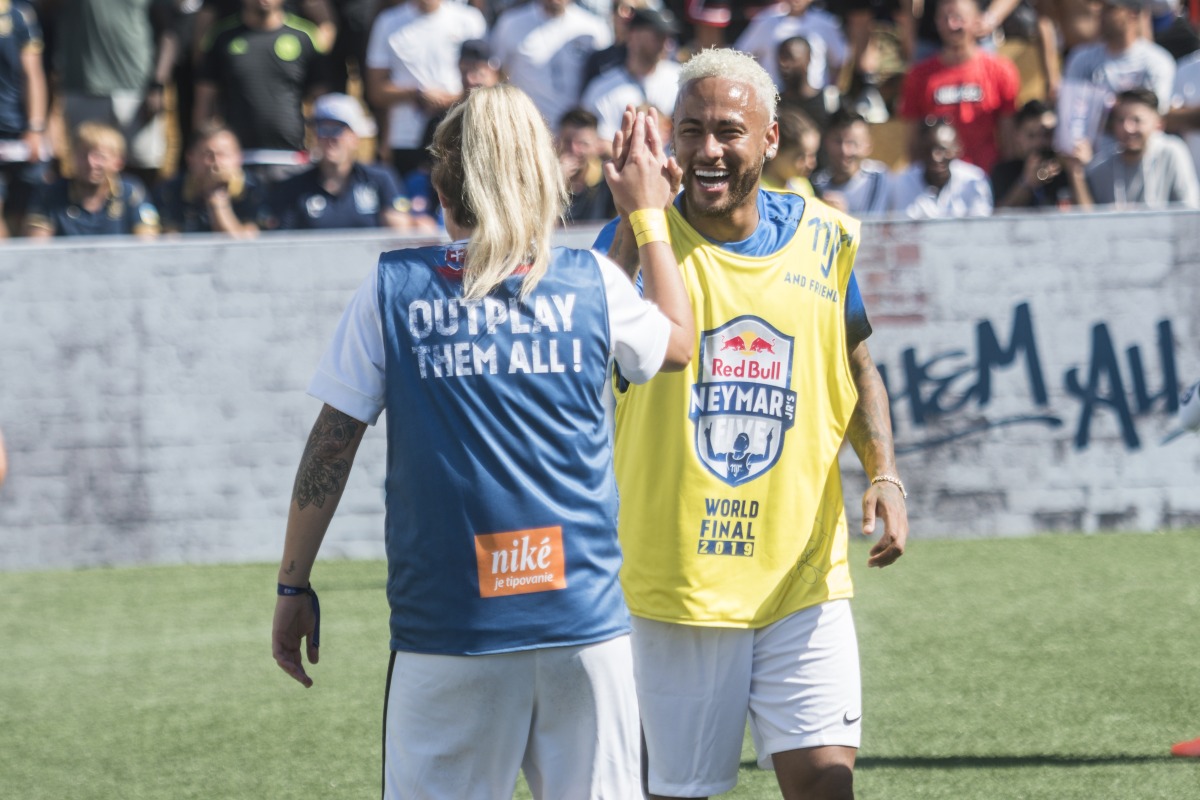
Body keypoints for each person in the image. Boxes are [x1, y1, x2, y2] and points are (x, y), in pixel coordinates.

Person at [270, 87, 694, 799]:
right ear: (543, 176)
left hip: (450, 633)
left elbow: (330, 447)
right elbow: (678, 343)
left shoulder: (393, 288)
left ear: (442, 182)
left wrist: (292, 583)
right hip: (583, 629)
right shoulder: (593, 283)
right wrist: (648, 216)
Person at [599, 47, 909, 800]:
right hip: (678, 590)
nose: (708, 149)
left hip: (803, 579)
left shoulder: (825, 237)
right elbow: (595, 342)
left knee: (827, 787)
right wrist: (634, 221)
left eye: (729, 130)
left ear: (770, 139)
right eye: (692, 129)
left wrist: (886, 474)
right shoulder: (644, 245)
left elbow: (858, 362)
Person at [194, 0, 328, 183]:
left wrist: (318, 148)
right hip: (237, 161)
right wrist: (203, 152)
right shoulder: (221, 37)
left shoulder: (304, 36)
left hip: (292, 159)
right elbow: (205, 101)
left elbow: (322, 101)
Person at [49, 0, 175, 189]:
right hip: (84, 85)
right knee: (89, 165)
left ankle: (139, 215)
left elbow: (170, 31)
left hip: (136, 87)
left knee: (142, 165)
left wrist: (157, 84)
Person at [364, 0, 486, 185]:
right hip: (405, 139)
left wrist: (448, 101)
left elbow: (488, 82)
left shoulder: (469, 20)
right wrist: (417, 94)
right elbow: (375, 91)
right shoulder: (387, 22)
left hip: (461, 134)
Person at [259, 92, 416, 231]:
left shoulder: (380, 179)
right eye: (321, 129)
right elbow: (283, 245)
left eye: (336, 130)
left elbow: (399, 233)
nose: (328, 138)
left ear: (355, 137)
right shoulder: (294, 188)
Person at [898, 0, 1021, 173]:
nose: (952, 25)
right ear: (936, 23)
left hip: (986, 175)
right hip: (939, 180)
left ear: (975, 20)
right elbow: (913, 140)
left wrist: (1005, 179)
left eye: (959, 18)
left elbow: (1009, 138)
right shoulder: (919, 76)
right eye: (945, 18)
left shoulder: (1000, 71)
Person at [1057, 0, 1175, 156]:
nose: (1101, 14)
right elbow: (1071, 118)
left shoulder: (1158, 61)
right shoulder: (1080, 58)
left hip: (1141, 160)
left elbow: (1153, 117)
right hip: (1093, 160)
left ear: (1133, 12)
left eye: (1111, 8)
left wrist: (1105, 110)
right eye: (1101, 7)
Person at [490, 0, 613, 134]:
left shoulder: (594, 27)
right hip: (525, 130)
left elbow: (604, 82)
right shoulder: (511, 23)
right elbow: (495, 73)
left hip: (574, 138)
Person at [24, 122, 160, 238]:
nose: (91, 163)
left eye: (100, 156)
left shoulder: (131, 192)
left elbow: (147, 245)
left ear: (118, 162)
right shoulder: (49, 193)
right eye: (83, 155)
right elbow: (37, 248)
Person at [581, 6, 682, 144]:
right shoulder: (601, 89)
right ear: (633, 34)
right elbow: (595, 142)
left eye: (668, 37)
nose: (665, 44)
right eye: (658, 35)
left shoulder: (681, 80)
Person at [1085, 87, 1200, 207]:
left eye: (1137, 120)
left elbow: (1188, 209)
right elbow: (1089, 218)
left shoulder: (1172, 153)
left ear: (1158, 123)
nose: (1127, 128)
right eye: (1120, 120)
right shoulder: (1100, 167)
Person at [154, 123, 263, 237]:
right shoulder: (170, 191)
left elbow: (245, 245)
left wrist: (217, 196)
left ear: (239, 158)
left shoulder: (253, 190)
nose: (216, 163)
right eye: (208, 155)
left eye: (223, 154)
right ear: (190, 158)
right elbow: (170, 241)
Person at [0, 0, 48, 237]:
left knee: (25, 212)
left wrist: (35, 127)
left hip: (16, 128)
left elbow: (33, 74)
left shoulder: (18, 14)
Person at [990, 98, 1090, 209]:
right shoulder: (1003, 172)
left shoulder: (1067, 171)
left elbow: (1090, 219)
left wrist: (1075, 173)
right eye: (1031, 135)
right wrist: (1026, 183)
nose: (1038, 143)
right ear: (1017, 136)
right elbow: (999, 219)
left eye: (1046, 134)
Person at [734, 0, 848, 94]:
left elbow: (840, 61)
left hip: (815, 98)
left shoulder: (826, 24)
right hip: (774, 96)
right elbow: (742, 55)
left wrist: (834, 92)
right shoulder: (766, 21)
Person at [890, 117, 994, 217]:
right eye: (928, 150)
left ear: (957, 150)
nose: (935, 157)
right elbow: (902, 230)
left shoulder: (974, 181)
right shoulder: (904, 182)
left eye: (943, 150)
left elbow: (981, 228)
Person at [813, 108, 893, 216]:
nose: (845, 151)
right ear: (826, 142)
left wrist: (842, 216)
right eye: (838, 141)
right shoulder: (816, 183)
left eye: (853, 143)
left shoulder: (880, 178)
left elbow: (873, 229)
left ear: (868, 145)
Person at [558, 107, 619, 222]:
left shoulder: (608, 179)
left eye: (583, 144)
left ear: (596, 146)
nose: (574, 150)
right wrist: (555, 183)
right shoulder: (546, 179)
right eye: (567, 141)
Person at [760, 105, 820, 196]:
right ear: (775, 150)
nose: (811, 164)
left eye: (812, 155)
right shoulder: (759, 192)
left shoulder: (802, 185)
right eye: (800, 156)